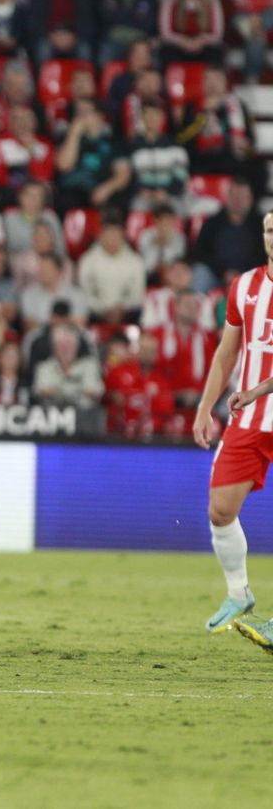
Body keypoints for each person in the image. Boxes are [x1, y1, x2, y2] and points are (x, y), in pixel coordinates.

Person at [190, 209, 273, 637]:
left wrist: (255, 391)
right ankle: (239, 591)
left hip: (255, 401)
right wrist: (206, 407)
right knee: (220, 511)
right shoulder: (245, 286)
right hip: (252, 421)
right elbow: (227, 353)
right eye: (269, 229)